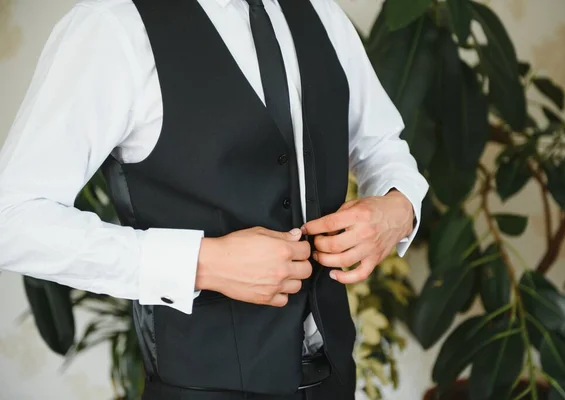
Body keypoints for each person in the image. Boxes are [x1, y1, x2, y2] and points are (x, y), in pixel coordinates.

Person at [0, 0, 428, 398]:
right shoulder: (113, 25)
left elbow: (382, 143)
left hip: (334, 376)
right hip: (200, 384)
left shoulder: (320, 11)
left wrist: (397, 207)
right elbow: (13, 218)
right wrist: (203, 263)